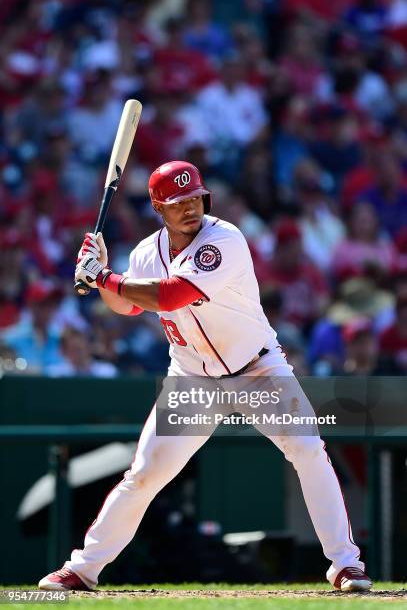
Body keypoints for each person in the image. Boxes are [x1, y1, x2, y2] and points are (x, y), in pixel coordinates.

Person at [38, 161, 372, 592]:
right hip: (192, 378)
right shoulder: (144, 253)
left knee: (308, 449)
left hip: (258, 369)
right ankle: (82, 569)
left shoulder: (224, 239)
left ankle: (346, 565)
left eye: (195, 198)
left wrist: (104, 277)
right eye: (178, 203)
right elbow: (126, 306)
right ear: (159, 206)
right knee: (144, 473)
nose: (191, 208)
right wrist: (99, 273)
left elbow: (172, 293)